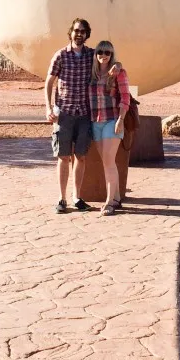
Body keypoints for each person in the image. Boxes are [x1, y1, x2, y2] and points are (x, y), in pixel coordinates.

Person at [45, 17, 121, 214]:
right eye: (76, 30)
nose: (79, 34)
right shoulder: (60, 55)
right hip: (65, 113)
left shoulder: (90, 55)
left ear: (87, 35)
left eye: (83, 31)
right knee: (63, 156)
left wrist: (118, 66)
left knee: (81, 156)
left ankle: (76, 197)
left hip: (85, 114)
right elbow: (49, 82)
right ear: (71, 32)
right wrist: (48, 107)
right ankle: (61, 199)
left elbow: (108, 58)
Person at [89, 40, 130, 216]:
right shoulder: (92, 74)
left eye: (107, 53)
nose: (103, 55)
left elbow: (125, 97)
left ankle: (109, 202)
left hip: (112, 120)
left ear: (112, 55)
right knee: (107, 161)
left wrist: (121, 119)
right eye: (100, 52)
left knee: (108, 160)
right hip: (95, 121)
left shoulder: (119, 73)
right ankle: (117, 198)